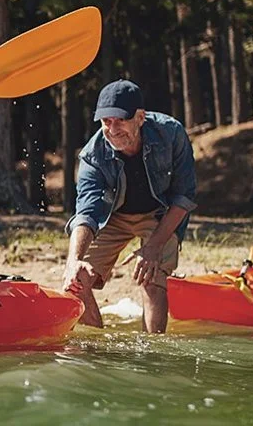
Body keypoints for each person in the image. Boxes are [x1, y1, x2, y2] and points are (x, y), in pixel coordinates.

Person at [62, 79, 197, 333]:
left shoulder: (172, 134)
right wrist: (73, 260)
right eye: (105, 122)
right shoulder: (93, 155)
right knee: (76, 281)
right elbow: (86, 213)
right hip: (112, 217)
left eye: (120, 120)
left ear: (140, 117)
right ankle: (99, 356)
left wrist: (154, 247)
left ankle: (153, 354)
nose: (112, 129)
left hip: (159, 215)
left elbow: (184, 197)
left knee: (152, 277)